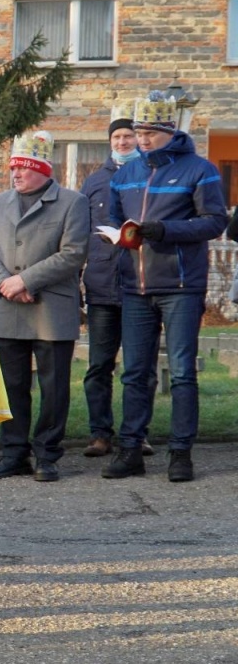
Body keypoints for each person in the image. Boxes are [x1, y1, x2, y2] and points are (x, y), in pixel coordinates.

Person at [104, 92, 227, 483]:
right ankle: (130, 449)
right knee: (134, 373)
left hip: (179, 286)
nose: (141, 139)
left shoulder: (200, 169)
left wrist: (164, 231)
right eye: (138, 131)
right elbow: (110, 221)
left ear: (170, 132)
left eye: (150, 132)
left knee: (181, 373)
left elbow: (214, 222)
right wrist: (117, 238)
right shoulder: (125, 174)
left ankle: (180, 452)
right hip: (134, 287)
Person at [0, 131, 89, 482]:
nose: (16, 174)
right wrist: (6, 284)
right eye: (13, 168)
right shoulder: (0, 202)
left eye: (23, 168)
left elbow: (73, 253)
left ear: (42, 170)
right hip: (9, 307)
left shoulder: (72, 202)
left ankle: (47, 454)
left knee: (54, 387)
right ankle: (14, 453)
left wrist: (26, 281)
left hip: (51, 309)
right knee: (12, 385)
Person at [79, 104, 140, 460]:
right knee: (99, 365)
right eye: (117, 137)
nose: (123, 141)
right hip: (102, 284)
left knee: (137, 367)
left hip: (139, 285)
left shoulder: (149, 175)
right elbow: (82, 231)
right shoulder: (94, 181)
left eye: (128, 136)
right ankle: (100, 433)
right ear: (110, 142)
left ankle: (136, 434)